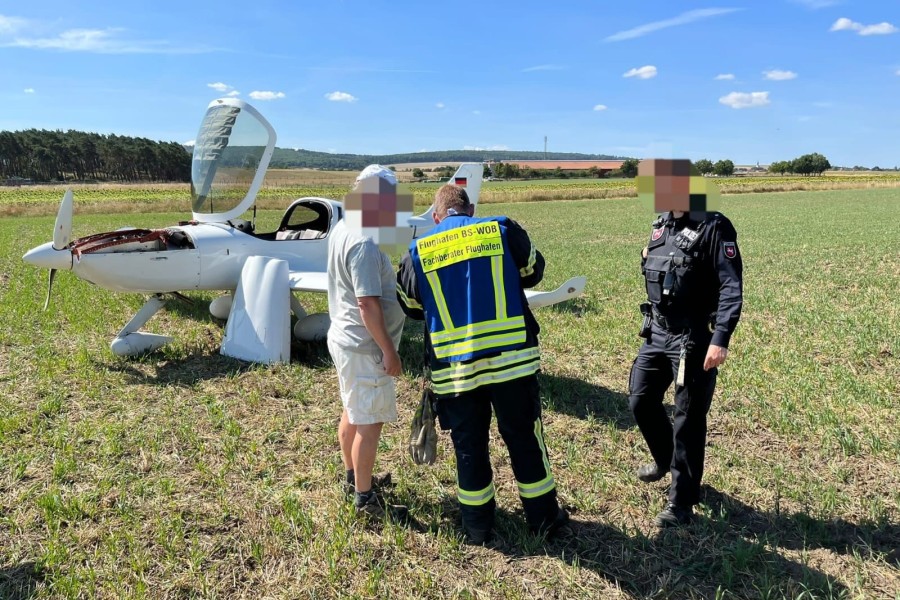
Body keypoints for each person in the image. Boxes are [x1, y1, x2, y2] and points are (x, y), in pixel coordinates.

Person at [397, 184, 568, 544]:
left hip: (454, 371)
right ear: (470, 208)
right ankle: (544, 520)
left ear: (436, 216)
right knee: (524, 438)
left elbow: (412, 308)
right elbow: (535, 270)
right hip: (513, 363)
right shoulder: (502, 229)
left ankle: (477, 527)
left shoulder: (416, 252)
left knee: (469, 446)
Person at [629, 159, 744, 527]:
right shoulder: (662, 224)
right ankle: (666, 460)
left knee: (688, 419)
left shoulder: (714, 225)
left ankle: (682, 501)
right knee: (640, 400)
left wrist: (720, 338)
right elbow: (656, 265)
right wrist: (643, 257)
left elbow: (730, 286)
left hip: (693, 338)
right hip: (658, 331)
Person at [327, 164, 408, 520]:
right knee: (370, 425)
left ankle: (353, 478)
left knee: (354, 412)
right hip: (364, 346)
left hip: (345, 339)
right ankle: (365, 499)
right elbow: (367, 303)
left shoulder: (345, 226)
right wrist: (389, 351)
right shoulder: (363, 241)